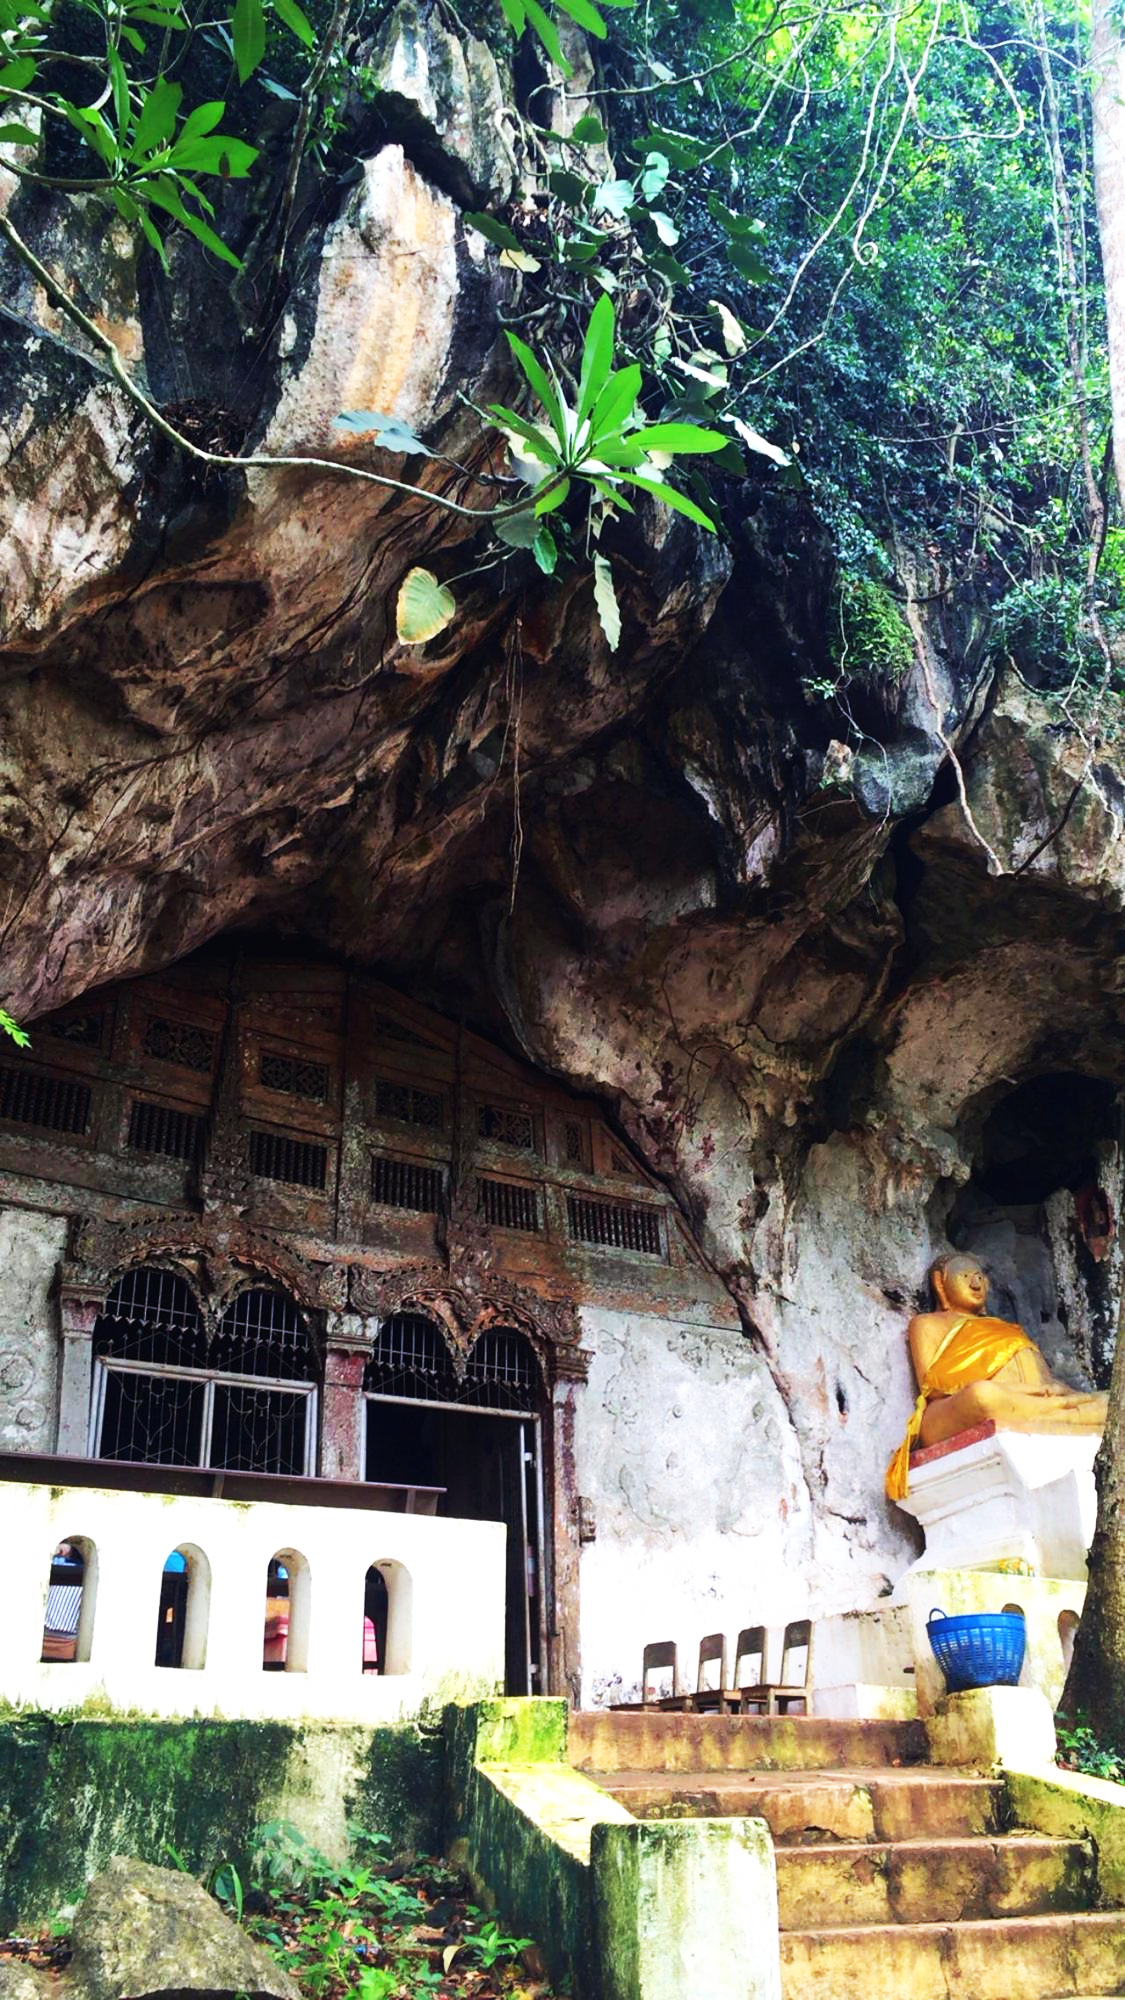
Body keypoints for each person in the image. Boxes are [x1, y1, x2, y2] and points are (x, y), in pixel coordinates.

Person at [886, 1251, 1107, 1502]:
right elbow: (933, 1385)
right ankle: (1062, 1411)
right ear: (940, 1283)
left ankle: (1060, 1409)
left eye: (980, 1276)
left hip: (1030, 1400)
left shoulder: (1006, 1329)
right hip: (954, 1411)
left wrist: (1057, 1391)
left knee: (1110, 1404)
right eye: (966, 1275)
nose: (976, 1282)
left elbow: (1045, 1381)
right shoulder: (928, 1324)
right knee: (983, 1395)